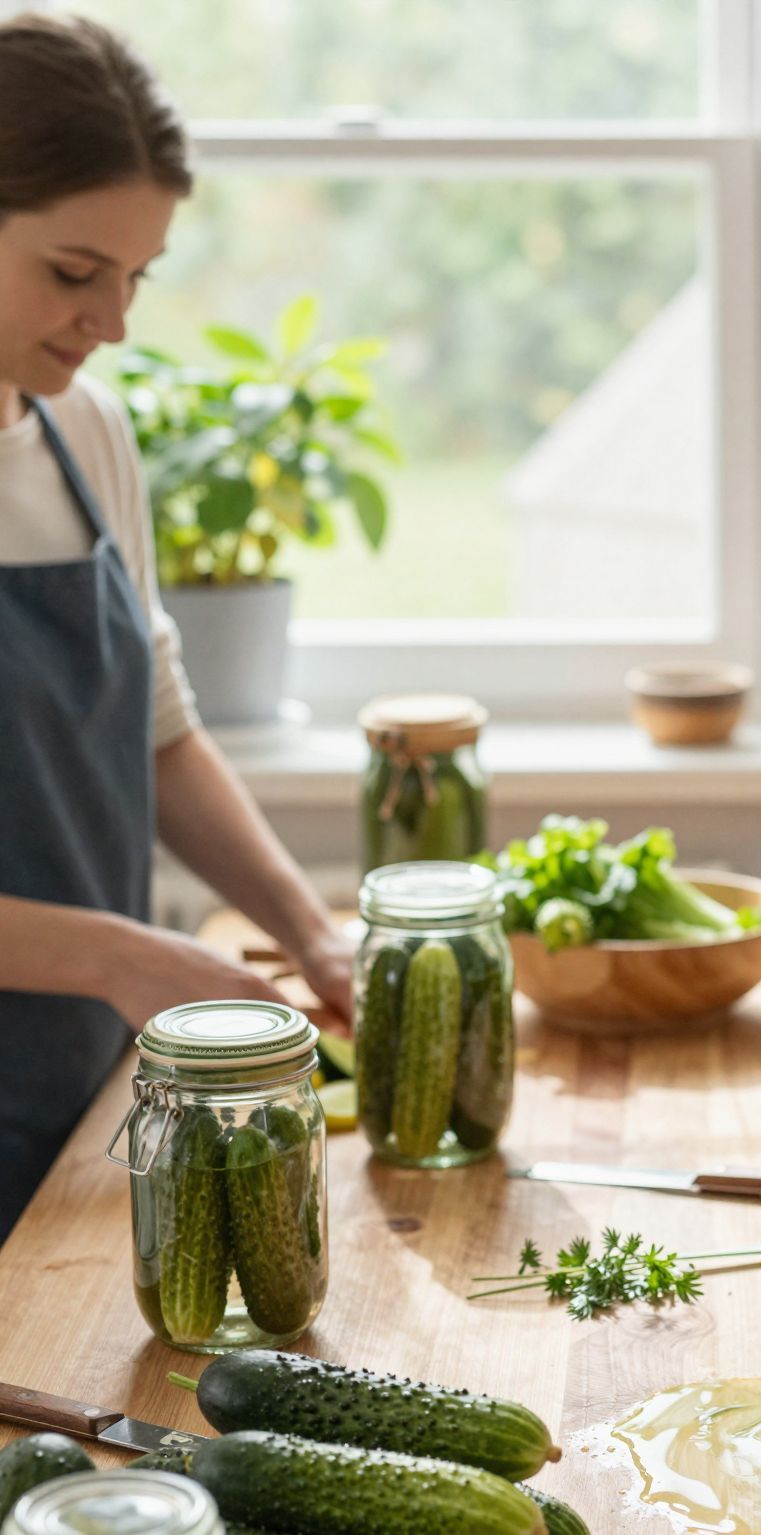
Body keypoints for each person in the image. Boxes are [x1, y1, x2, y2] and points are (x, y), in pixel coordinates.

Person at [0, 13, 352, 1244]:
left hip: (84, 1108)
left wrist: (310, 930)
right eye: (73, 270)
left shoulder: (80, 431)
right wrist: (114, 955)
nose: (115, 320)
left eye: (137, 276)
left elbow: (158, 731)